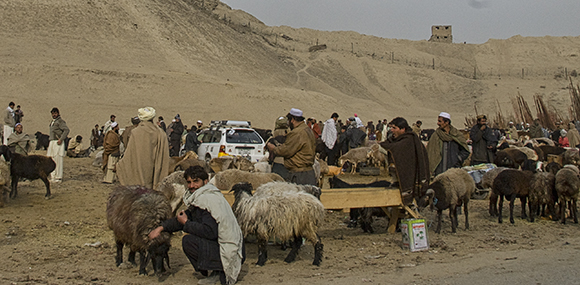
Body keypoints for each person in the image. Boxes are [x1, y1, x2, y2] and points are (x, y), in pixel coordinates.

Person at [148, 166, 244, 285]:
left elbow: (210, 231)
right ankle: (216, 271)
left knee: (189, 241)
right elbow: (183, 218)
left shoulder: (208, 200)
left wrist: (187, 224)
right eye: (189, 182)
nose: (192, 186)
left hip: (229, 249)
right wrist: (161, 228)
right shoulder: (201, 198)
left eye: (196, 181)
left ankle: (219, 273)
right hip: (224, 245)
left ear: (205, 182)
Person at [379, 117, 430, 205]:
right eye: (391, 128)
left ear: (403, 129)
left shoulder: (409, 139)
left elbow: (396, 148)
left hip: (410, 174)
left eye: (394, 128)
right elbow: (386, 146)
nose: (392, 130)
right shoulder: (395, 139)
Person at [117, 107, 170, 189]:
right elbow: (164, 159)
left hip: (137, 180)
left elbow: (129, 157)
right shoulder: (161, 134)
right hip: (153, 180)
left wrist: (119, 165)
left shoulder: (136, 132)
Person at [266, 108, 317, 185]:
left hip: (299, 175)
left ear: (292, 120)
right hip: (308, 173)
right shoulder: (307, 130)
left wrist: (273, 148)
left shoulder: (297, 133)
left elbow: (286, 151)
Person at [426, 112, 470, 176]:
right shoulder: (436, 135)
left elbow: (465, 151)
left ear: (446, 122)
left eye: (440, 121)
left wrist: (458, 158)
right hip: (439, 169)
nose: (438, 123)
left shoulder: (456, 134)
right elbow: (430, 151)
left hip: (453, 168)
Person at [47, 107, 70, 183]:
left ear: (58, 113)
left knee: (58, 159)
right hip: (52, 141)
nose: (54, 115)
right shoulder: (52, 122)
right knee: (51, 158)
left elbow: (66, 130)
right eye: (53, 113)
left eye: (55, 113)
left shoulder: (60, 121)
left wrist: (61, 139)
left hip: (58, 141)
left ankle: (58, 177)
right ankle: (52, 176)